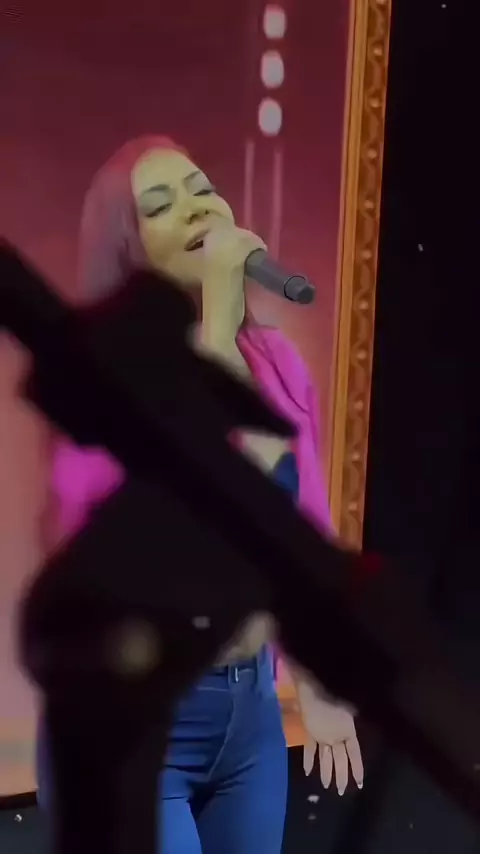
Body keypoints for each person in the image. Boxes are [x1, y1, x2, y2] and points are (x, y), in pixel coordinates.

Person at [37, 135, 363, 854]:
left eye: (203, 189)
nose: (196, 209)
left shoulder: (275, 362)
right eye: (161, 206)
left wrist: (318, 677)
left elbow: (300, 527)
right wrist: (218, 311)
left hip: (247, 717)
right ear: (128, 252)